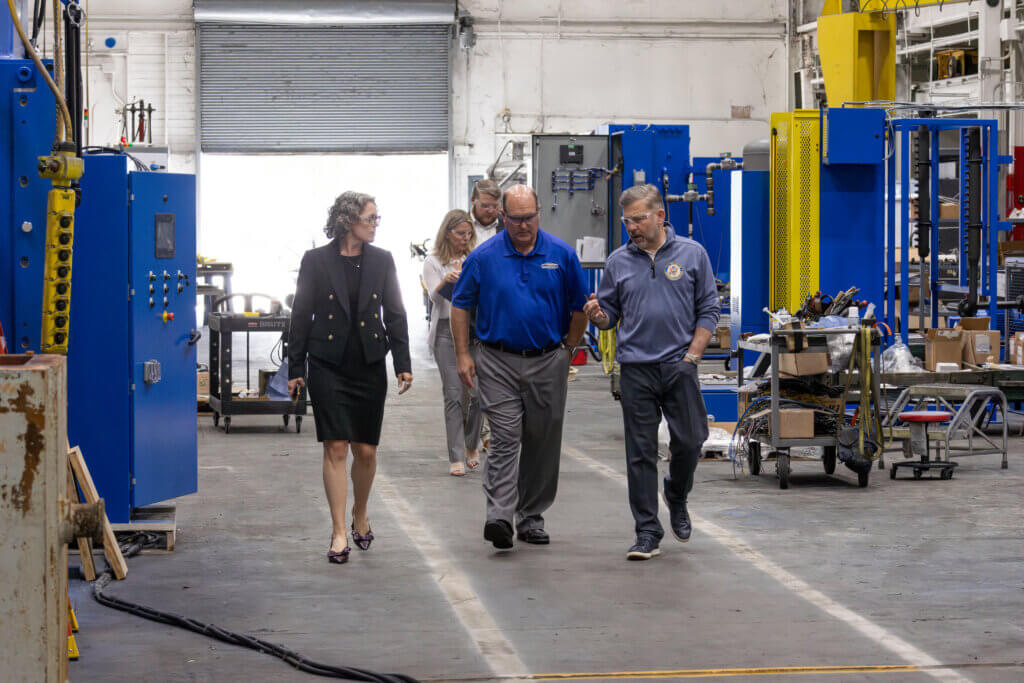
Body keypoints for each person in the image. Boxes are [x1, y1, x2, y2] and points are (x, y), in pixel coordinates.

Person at [584, 184, 719, 561]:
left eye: (639, 219)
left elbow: (708, 309)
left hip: (679, 366)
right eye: (627, 220)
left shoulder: (693, 255)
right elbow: (608, 315)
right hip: (637, 370)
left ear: (661, 216)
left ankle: (676, 494)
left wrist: (691, 357)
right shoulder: (618, 262)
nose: (632, 227)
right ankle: (647, 531)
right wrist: (598, 317)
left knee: (690, 441)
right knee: (640, 453)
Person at [451, 184, 588, 551]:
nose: (524, 225)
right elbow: (460, 305)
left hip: (548, 359)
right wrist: (464, 355)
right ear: (502, 217)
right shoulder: (483, 257)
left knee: (543, 440)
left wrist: (568, 349)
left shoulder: (561, 255)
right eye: (516, 219)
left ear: (539, 213)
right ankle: (499, 514)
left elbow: (579, 306)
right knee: (507, 436)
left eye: (530, 218)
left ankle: (531, 516)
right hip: (497, 360)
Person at [288, 191, 413, 565]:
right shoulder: (316, 260)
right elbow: (301, 313)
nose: (375, 224)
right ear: (348, 220)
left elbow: (395, 312)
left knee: (366, 450)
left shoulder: (382, 260)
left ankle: (360, 513)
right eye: (370, 218)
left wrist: (402, 361)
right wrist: (296, 368)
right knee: (336, 447)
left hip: (369, 363)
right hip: (327, 363)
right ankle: (339, 531)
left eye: (377, 218)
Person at [422, 210, 483, 477]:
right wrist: (447, 282)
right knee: (454, 395)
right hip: (446, 332)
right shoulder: (433, 261)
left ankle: (472, 444)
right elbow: (435, 302)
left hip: (475, 330)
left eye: (469, 234)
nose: (465, 238)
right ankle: (456, 455)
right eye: (460, 234)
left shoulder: (476, 258)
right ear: (448, 233)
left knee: (479, 394)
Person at [470, 179, 503, 245]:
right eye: (485, 206)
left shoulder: (508, 226)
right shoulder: (459, 226)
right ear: (472, 200)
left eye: (495, 206)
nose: (490, 211)